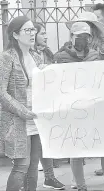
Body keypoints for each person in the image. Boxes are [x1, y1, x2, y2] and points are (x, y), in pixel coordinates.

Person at [0, 16, 45, 191]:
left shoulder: (37, 57)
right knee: (21, 165)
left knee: (33, 166)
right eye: (27, 30)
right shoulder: (6, 58)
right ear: (15, 35)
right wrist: (22, 110)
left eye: (33, 30)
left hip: (36, 119)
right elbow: (0, 92)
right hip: (17, 120)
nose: (33, 34)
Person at [54, 18, 104, 191]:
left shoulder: (95, 56)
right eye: (78, 36)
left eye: (85, 36)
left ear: (90, 38)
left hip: (92, 108)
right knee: (75, 150)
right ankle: (81, 186)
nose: (82, 39)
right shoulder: (61, 57)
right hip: (72, 108)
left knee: (102, 147)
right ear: (71, 37)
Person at [33, 22, 65, 190]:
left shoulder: (47, 52)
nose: (45, 36)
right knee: (35, 143)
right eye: (42, 33)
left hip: (47, 101)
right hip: (32, 103)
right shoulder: (27, 54)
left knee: (45, 140)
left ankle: (49, 177)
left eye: (46, 33)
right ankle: (29, 179)